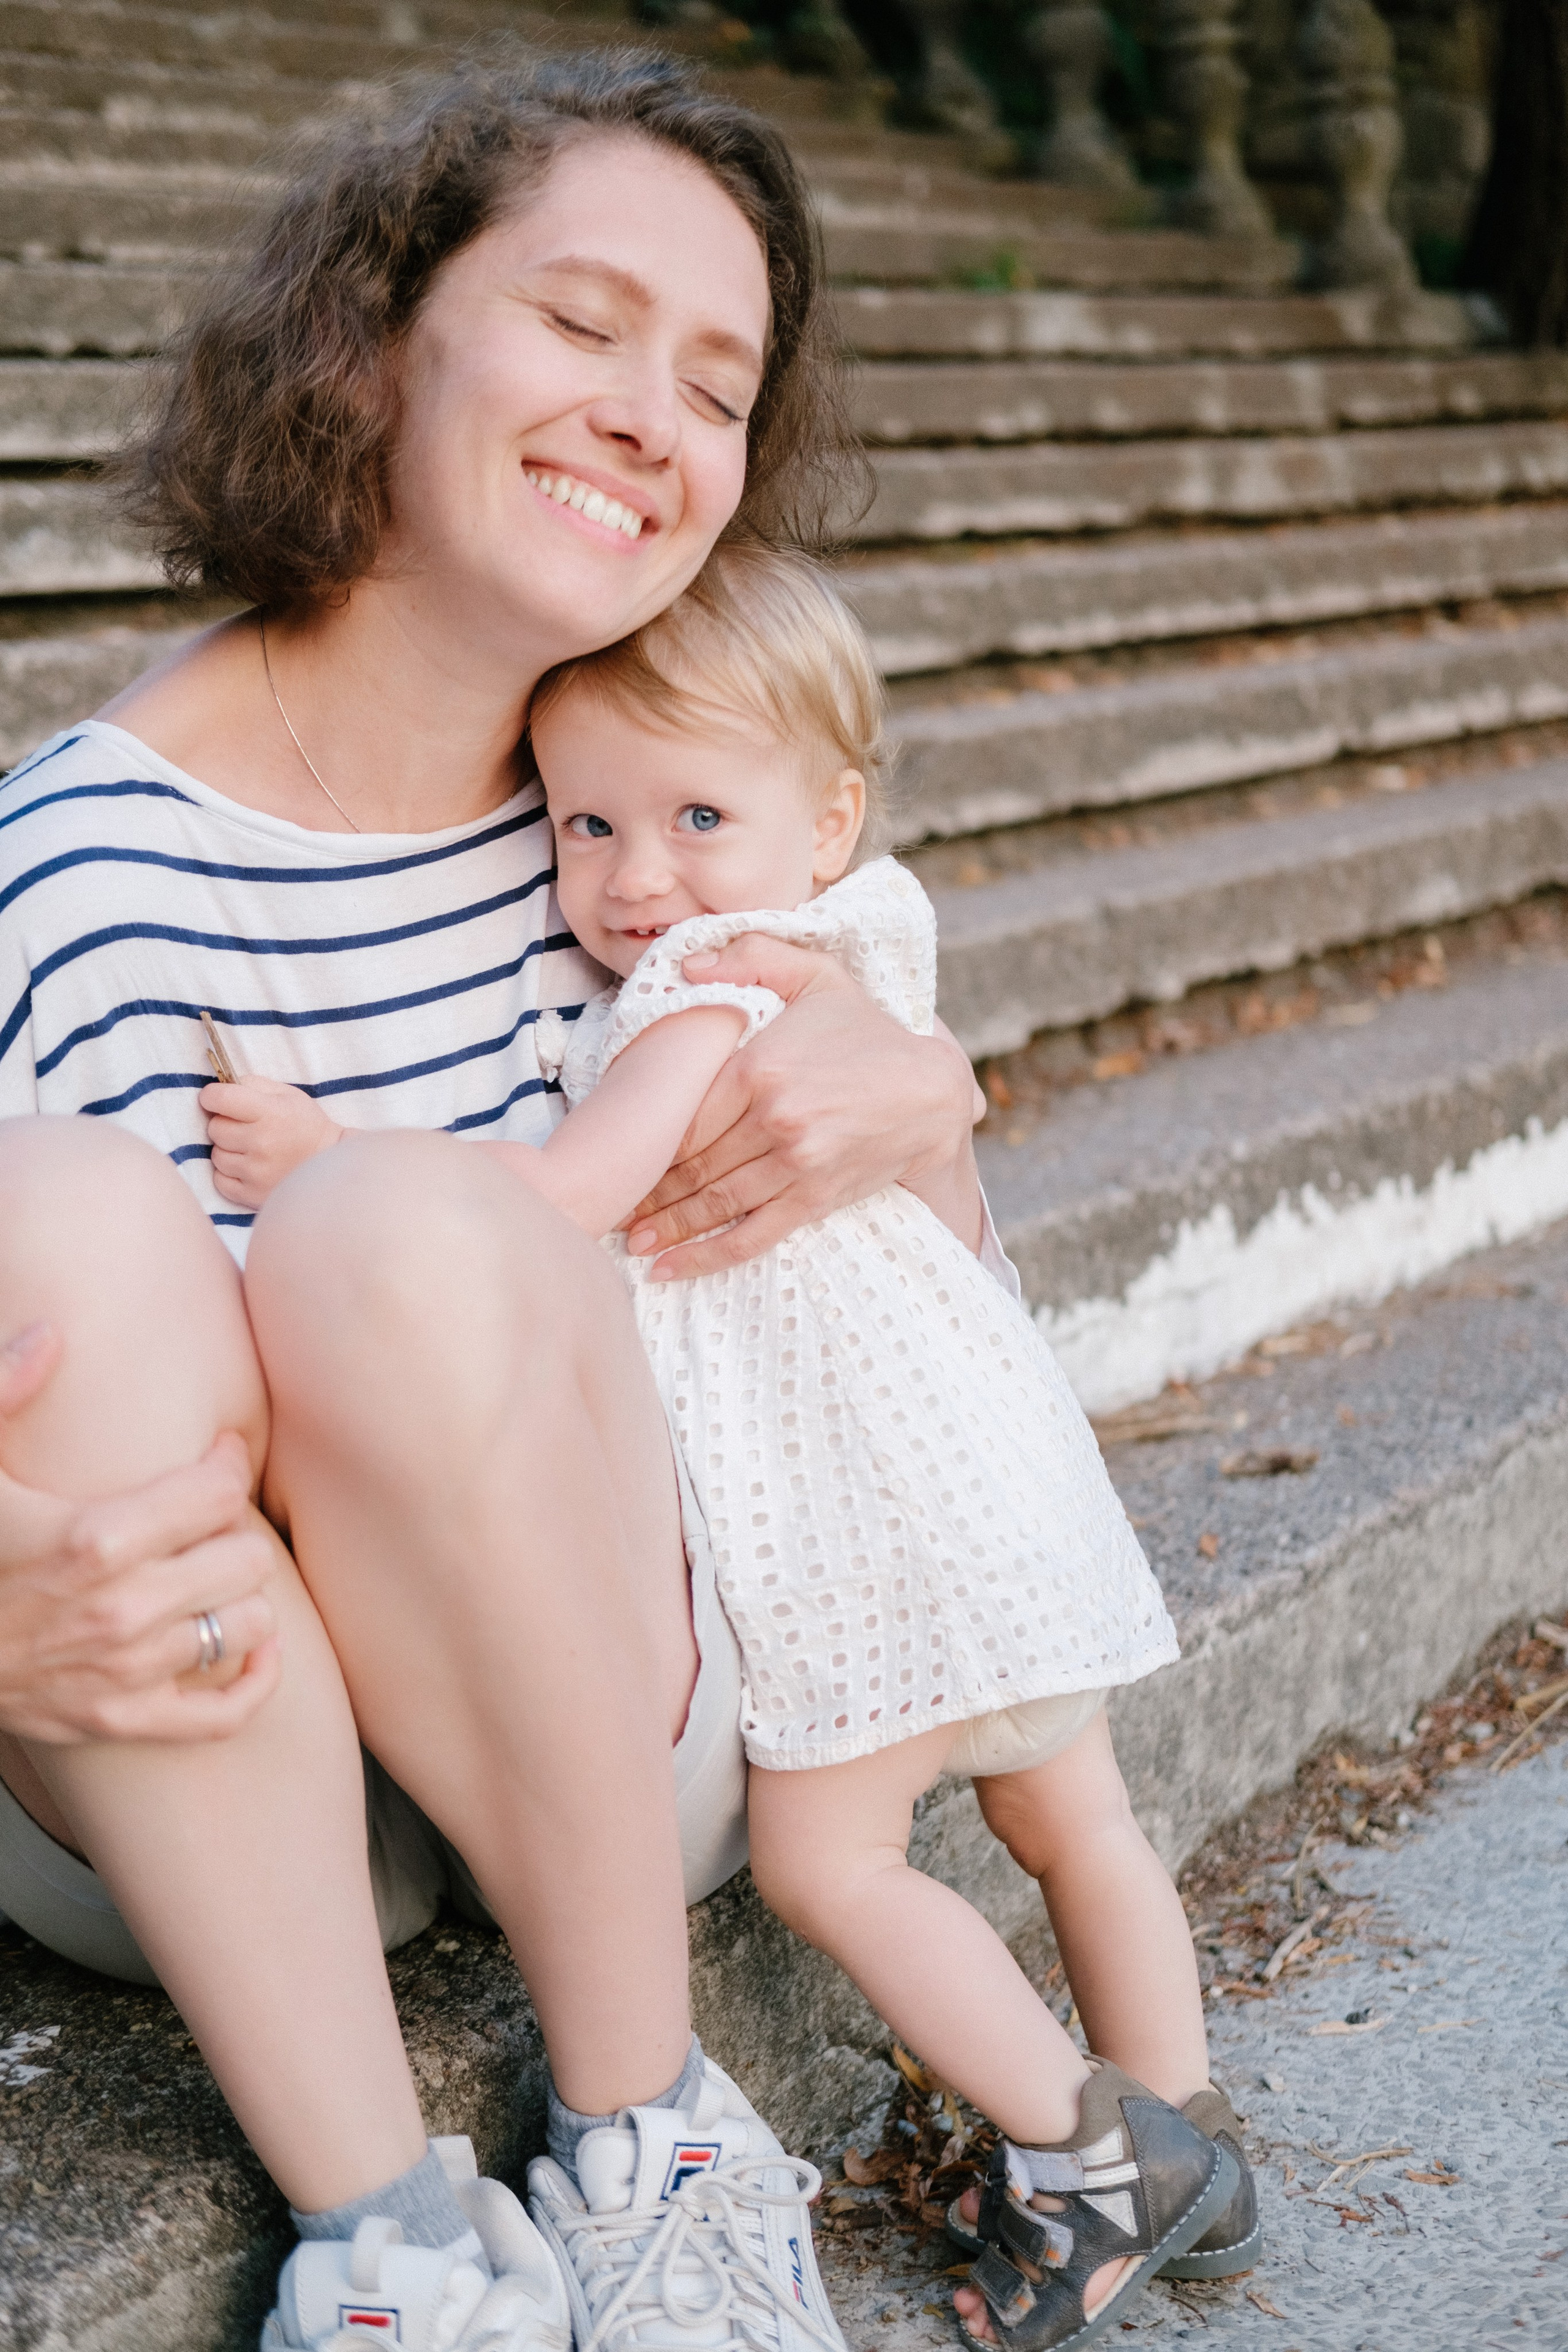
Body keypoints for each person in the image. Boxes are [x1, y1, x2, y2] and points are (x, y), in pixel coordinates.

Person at [0, 51, 991, 2352]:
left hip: (617, 1725)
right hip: (199, 1772)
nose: (656, 412)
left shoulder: (654, 820)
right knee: (49, 1222)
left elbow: (915, 1335)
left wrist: (918, 1099)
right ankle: (397, 2243)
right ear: (368, 341)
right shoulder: (74, 865)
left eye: (718, 380)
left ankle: (651, 2142)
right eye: (582, 321)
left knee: (396, 1230)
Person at [215, 543, 1264, 2352]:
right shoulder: (862, 959)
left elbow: (567, 1199)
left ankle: (1088, 2155)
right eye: (586, 826)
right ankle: (1197, 2142)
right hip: (1007, 1488)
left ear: (829, 814)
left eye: (696, 812)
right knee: (1074, 1815)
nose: (636, 878)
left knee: (826, 1867)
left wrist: (335, 1166)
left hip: (880, 1530)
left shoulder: (708, 989)